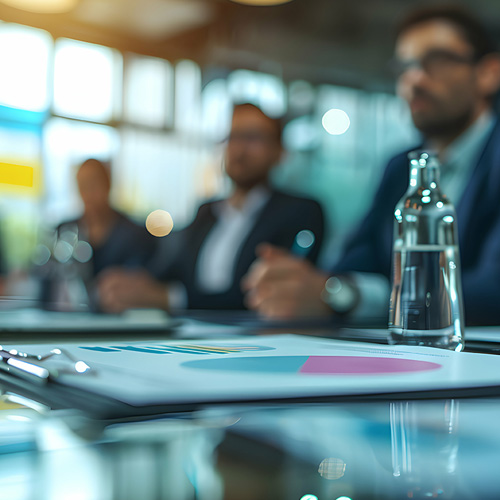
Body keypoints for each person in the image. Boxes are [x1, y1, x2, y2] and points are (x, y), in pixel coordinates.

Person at [243, 5, 500, 326]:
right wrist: (311, 286)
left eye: (437, 61)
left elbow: (493, 289)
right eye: (405, 66)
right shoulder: (398, 168)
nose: (415, 79)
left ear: (489, 73)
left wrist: (348, 297)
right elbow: (356, 260)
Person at [97, 103, 325, 312]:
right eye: (233, 137)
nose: (239, 148)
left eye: (253, 137)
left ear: (279, 152)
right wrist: (133, 284)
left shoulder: (299, 212)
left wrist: (172, 299)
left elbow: (270, 293)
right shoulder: (207, 212)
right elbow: (169, 270)